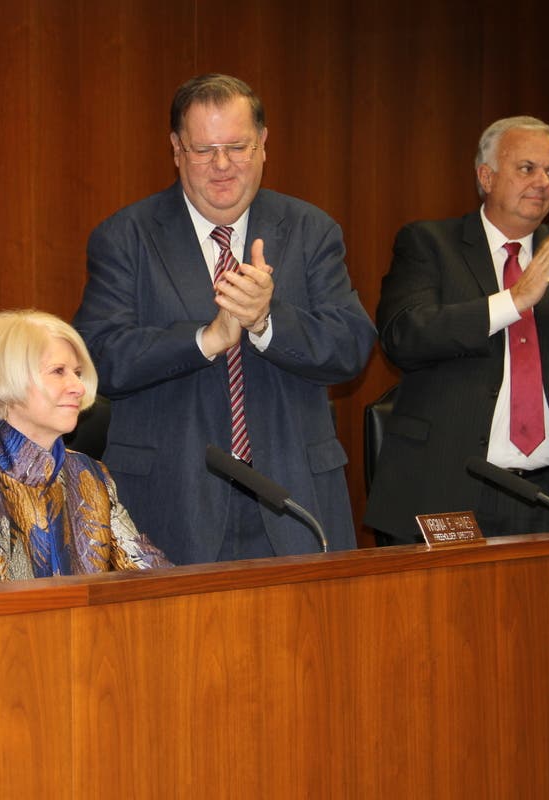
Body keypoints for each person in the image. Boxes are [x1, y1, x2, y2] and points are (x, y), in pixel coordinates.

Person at [73, 73, 376, 564]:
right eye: (203, 150)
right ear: (175, 149)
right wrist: (204, 339)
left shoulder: (310, 230)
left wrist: (266, 322)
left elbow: (351, 347)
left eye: (237, 147)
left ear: (263, 145)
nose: (221, 166)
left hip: (293, 496)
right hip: (169, 502)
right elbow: (98, 358)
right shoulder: (126, 235)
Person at [365, 116, 549, 544]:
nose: (543, 182)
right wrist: (514, 300)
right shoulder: (430, 244)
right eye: (526, 168)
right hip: (449, 490)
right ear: (486, 177)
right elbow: (403, 336)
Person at [0, 310, 172, 586]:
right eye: (58, 372)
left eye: (77, 373)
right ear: (6, 379)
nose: (78, 386)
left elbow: (151, 577)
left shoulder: (91, 474)